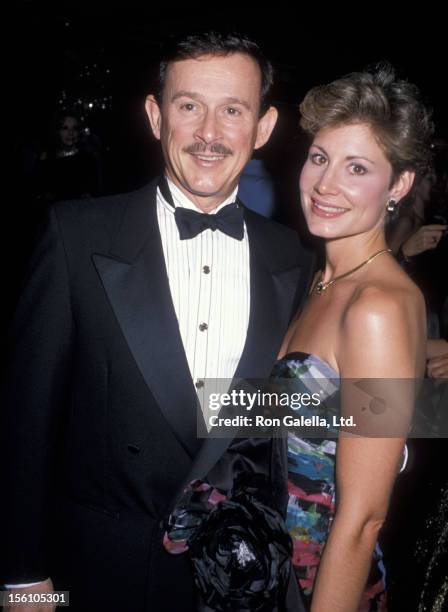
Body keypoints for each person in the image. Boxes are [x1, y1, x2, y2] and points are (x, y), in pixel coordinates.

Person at [1, 32, 313, 612]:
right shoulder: (75, 236)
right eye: (189, 105)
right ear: (154, 115)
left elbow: (275, 409)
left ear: (264, 127)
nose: (209, 134)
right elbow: (24, 419)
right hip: (99, 571)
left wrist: (396, 421)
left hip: (234, 582)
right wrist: (21, 576)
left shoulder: (293, 256)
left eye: (233, 110)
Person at [274, 64, 433, 611]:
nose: (325, 184)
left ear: (400, 184)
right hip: (270, 573)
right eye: (320, 157)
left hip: (323, 585)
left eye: (357, 167)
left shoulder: (378, 308)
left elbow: (363, 519)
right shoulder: (320, 279)